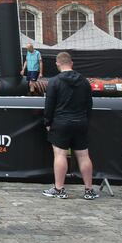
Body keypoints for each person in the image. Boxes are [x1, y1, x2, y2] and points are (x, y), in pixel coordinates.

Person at [42, 52, 98, 200]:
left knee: (60, 154)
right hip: (81, 122)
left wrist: (47, 122)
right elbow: (89, 105)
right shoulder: (84, 82)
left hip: (61, 122)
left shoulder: (54, 81)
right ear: (72, 63)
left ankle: (59, 189)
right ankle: (89, 190)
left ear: (57, 64)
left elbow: (49, 105)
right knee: (83, 155)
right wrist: (86, 121)